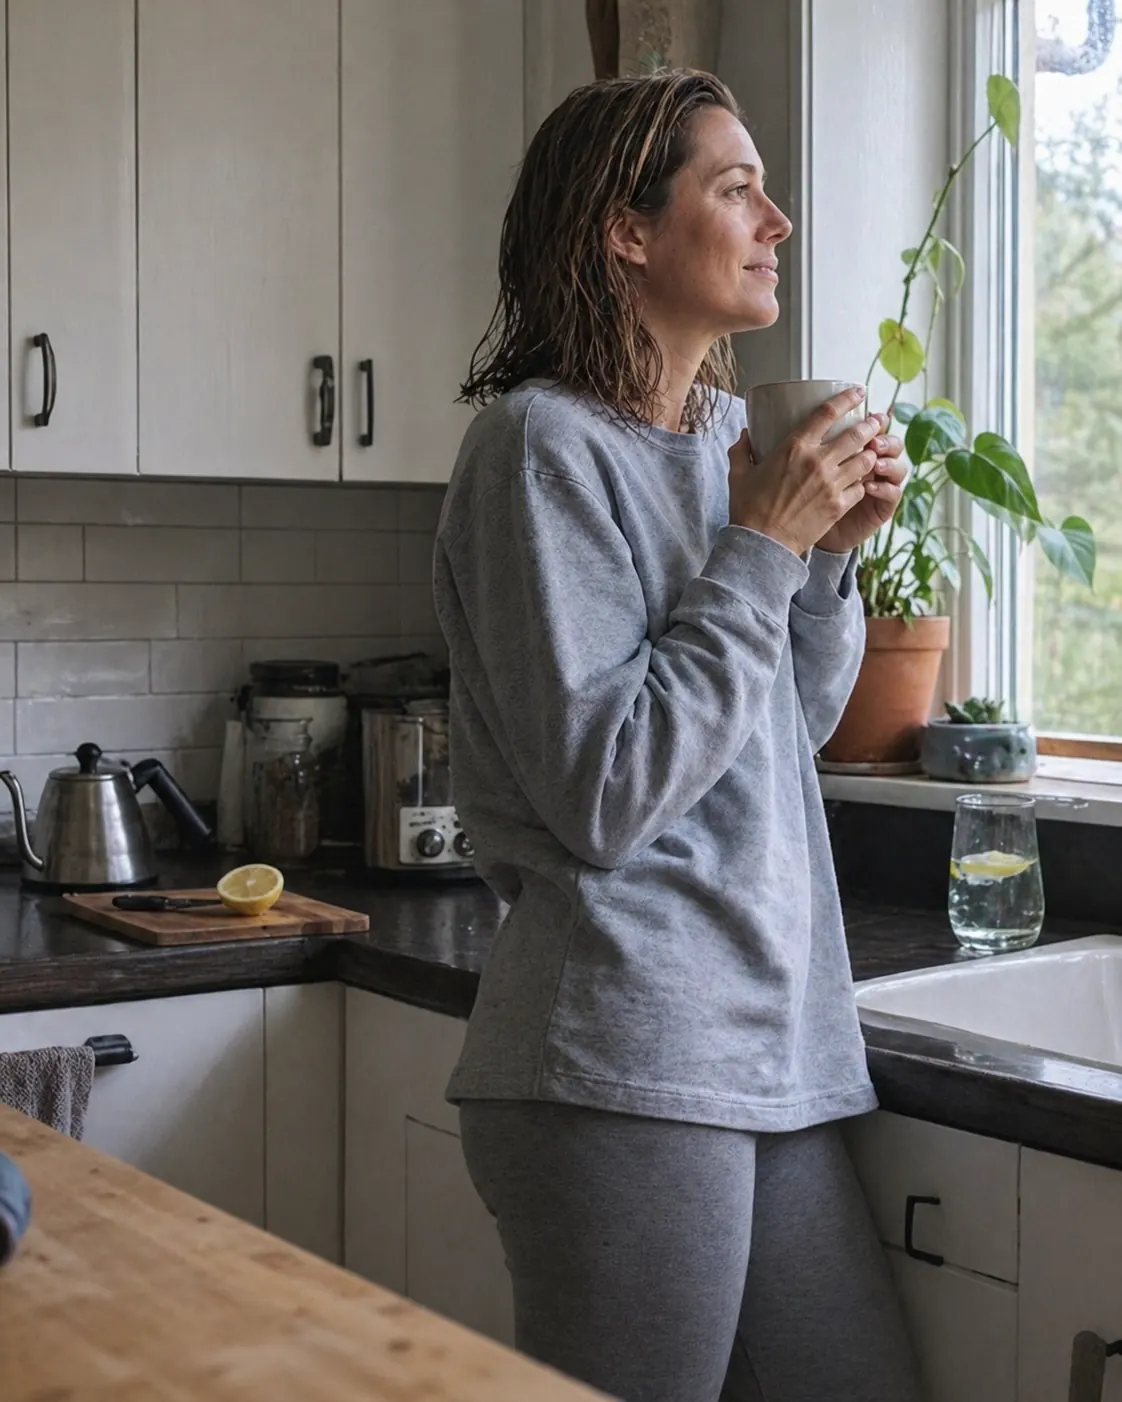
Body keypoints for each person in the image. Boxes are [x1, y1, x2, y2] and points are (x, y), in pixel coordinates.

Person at [433, 70, 920, 1402]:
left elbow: (775, 732)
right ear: (624, 230)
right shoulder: (540, 449)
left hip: (769, 1043)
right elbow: (606, 788)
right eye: (734, 187)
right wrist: (765, 544)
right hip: (618, 1051)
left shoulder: (729, 444)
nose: (778, 220)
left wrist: (821, 564)